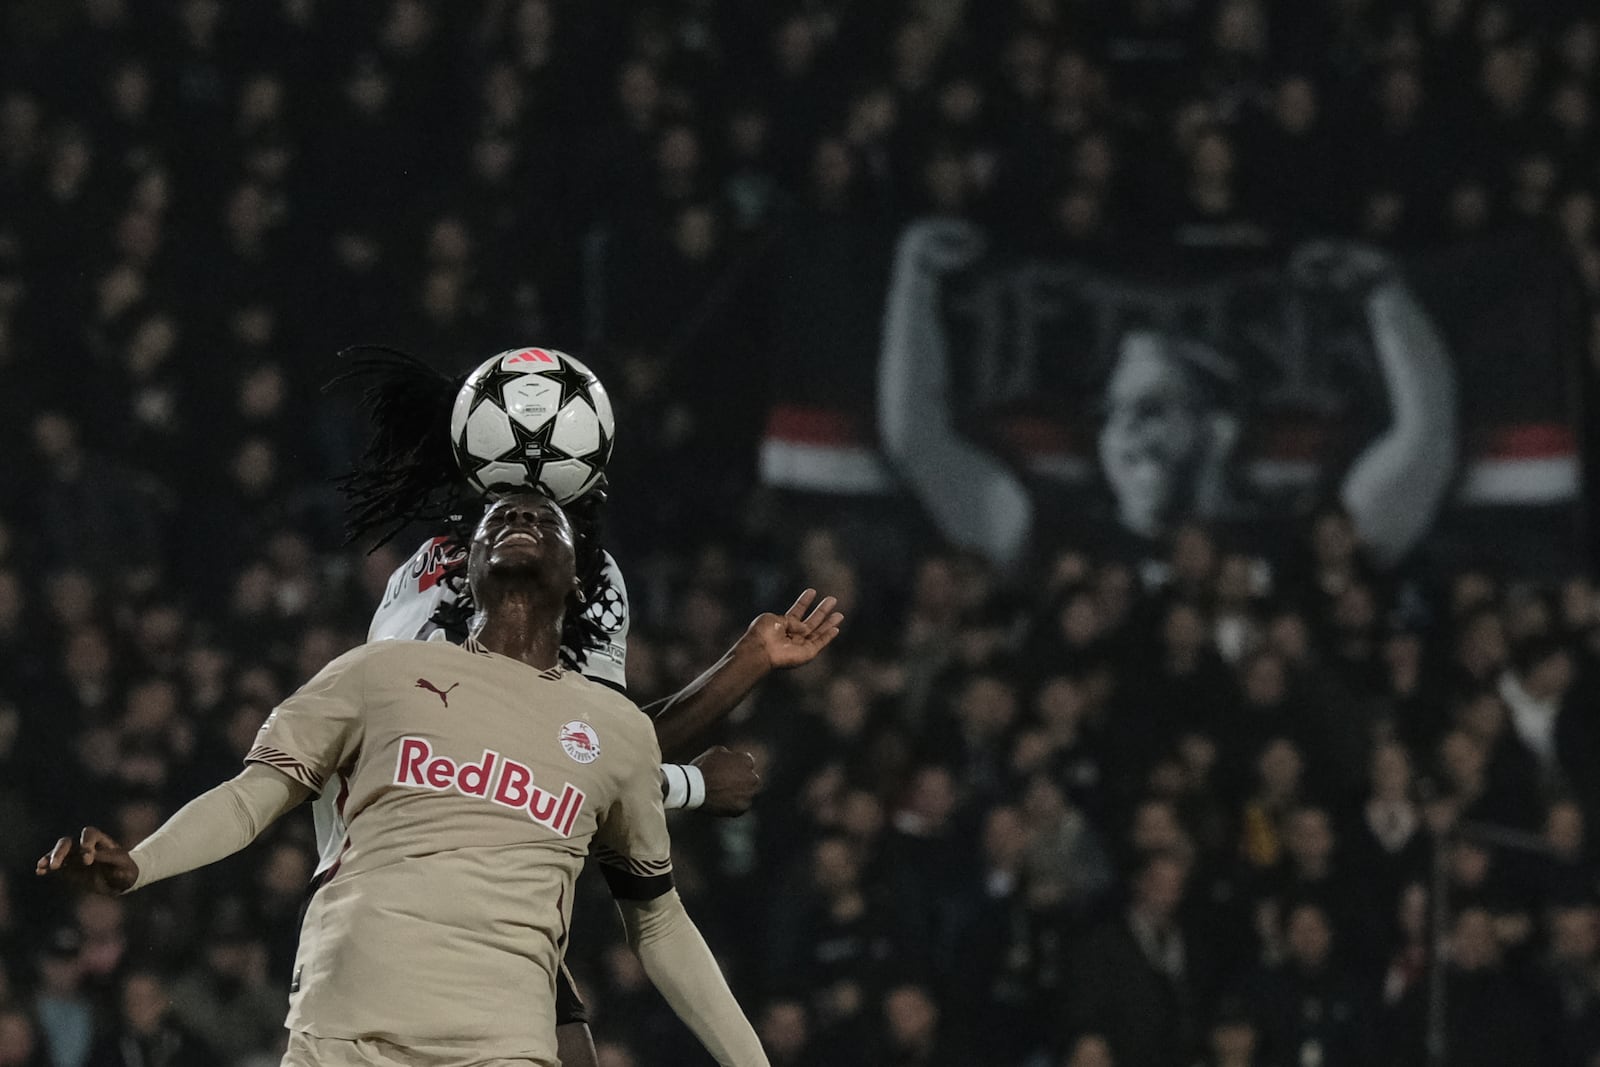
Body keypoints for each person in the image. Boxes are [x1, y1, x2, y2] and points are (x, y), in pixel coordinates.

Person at [38, 491, 771, 1067]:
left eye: (543, 519)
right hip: (345, 1033)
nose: (516, 515)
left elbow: (660, 922)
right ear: (468, 568)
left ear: (579, 576)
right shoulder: (378, 671)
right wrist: (141, 864)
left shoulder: (615, 732)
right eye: (497, 518)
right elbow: (251, 794)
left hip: (501, 1045)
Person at [334, 347, 843, 1067]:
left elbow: (596, 747)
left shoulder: (594, 579)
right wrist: (692, 783)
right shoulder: (433, 584)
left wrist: (746, 662)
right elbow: (475, 768)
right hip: (398, 909)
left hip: (498, 912)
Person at [878, 221, 1457, 568]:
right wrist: (915, 278)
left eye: (1152, 408)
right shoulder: (1057, 532)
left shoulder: (1288, 533)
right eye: (1111, 414)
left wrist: (1384, 295)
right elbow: (918, 441)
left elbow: (1425, 441)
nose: (1126, 430)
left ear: (1219, 428)